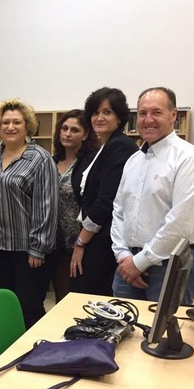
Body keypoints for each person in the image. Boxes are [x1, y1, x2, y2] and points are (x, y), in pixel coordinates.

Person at [112, 87, 194, 304]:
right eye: (142, 113)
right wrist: (124, 256)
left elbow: (181, 222)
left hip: (170, 263)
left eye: (156, 112)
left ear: (173, 115)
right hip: (128, 261)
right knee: (125, 330)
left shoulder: (188, 158)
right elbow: (119, 211)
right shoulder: (133, 161)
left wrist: (140, 262)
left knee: (164, 334)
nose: (148, 120)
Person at [0, 99, 58, 328]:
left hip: (28, 250)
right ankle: (11, 354)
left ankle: (36, 354)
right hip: (1, 245)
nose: (10, 127)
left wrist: (38, 248)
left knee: (29, 306)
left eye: (16, 122)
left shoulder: (40, 158)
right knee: (8, 305)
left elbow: (46, 205)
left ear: (27, 126)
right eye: (5, 122)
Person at [70, 87, 138, 296]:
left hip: (104, 241)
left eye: (107, 112)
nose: (99, 118)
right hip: (97, 237)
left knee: (87, 298)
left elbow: (105, 202)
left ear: (119, 117)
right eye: (95, 112)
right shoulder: (103, 146)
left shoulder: (120, 146)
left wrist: (81, 242)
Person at [50, 109, 98, 302]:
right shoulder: (51, 162)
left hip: (82, 243)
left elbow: (96, 204)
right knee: (60, 297)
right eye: (64, 128)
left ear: (86, 134)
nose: (68, 134)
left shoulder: (90, 164)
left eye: (75, 130)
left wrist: (82, 242)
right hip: (55, 245)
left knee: (80, 300)